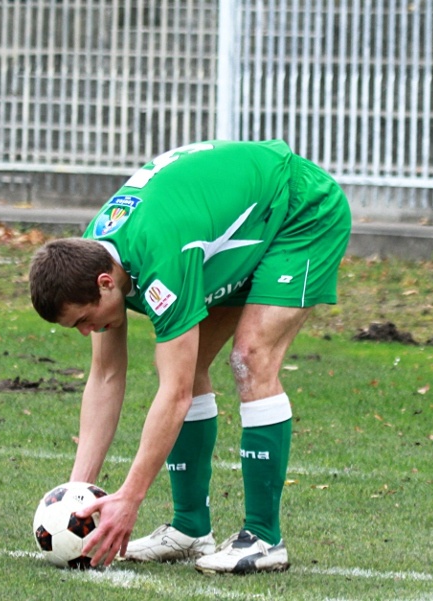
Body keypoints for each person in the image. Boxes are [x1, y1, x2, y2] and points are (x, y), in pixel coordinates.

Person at [28, 139, 351, 573]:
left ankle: (264, 537)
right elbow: (104, 377)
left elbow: (175, 394)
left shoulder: (162, 258)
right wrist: (76, 496)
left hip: (297, 210)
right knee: (193, 362)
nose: (87, 331)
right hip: (232, 221)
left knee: (250, 359)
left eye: (85, 320)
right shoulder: (90, 254)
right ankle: (190, 529)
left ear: (106, 282)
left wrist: (129, 497)